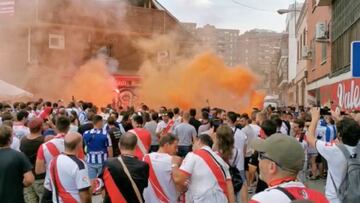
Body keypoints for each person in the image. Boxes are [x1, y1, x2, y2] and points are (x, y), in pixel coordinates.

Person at [249, 133, 328, 203]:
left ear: (272, 167)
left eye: (261, 156)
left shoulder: (261, 200)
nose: (259, 160)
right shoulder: (320, 197)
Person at [307, 108, 360, 203]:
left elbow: (310, 138)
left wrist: (314, 118)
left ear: (339, 135)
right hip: (355, 196)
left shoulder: (334, 150)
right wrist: (337, 119)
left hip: (335, 198)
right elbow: (351, 130)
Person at [173, 129, 235, 203]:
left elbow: (179, 179)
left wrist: (174, 164)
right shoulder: (220, 160)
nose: (192, 146)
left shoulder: (193, 155)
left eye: (194, 143)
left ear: (199, 141)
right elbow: (230, 189)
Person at [101, 132, 150, 203]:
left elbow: (103, 188)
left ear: (119, 145)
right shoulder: (143, 166)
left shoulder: (108, 163)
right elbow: (144, 185)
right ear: (136, 146)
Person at [47, 132, 91, 203]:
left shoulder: (53, 161)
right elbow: (84, 194)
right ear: (79, 145)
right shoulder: (79, 165)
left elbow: (49, 185)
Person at [0, 125, 34, 203]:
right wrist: (19, 185)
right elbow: (29, 179)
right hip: (14, 198)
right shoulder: (19, 156)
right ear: (10, 139)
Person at [143, 134, 181, 203]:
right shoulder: (174, 160)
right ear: (166, 145)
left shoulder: (145, 157)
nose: (177, 150)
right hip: (168, 200)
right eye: (175, 147)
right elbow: (179, 184)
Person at [83, 115, 113, 193]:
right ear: (99, 122)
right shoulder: (105, 134)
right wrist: (111, 161)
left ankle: (90, 198)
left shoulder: (86, 133)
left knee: (91, 182)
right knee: (102, 183)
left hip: (90, 161)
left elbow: (85, 145)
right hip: (102, 162)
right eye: (102, 121)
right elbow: (109, 149)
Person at [20, 118, 47, 203]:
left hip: (27, 176)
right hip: (41, 177)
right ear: (40, 127)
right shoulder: (43, 141)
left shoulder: (23, 140)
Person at [226, 111, 248, 203]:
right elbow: (244, 151)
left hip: (228, 166)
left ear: (227, 120)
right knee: (241, 186)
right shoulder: (242, 133)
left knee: (229, 188)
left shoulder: (224, 133)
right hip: (240, 164)